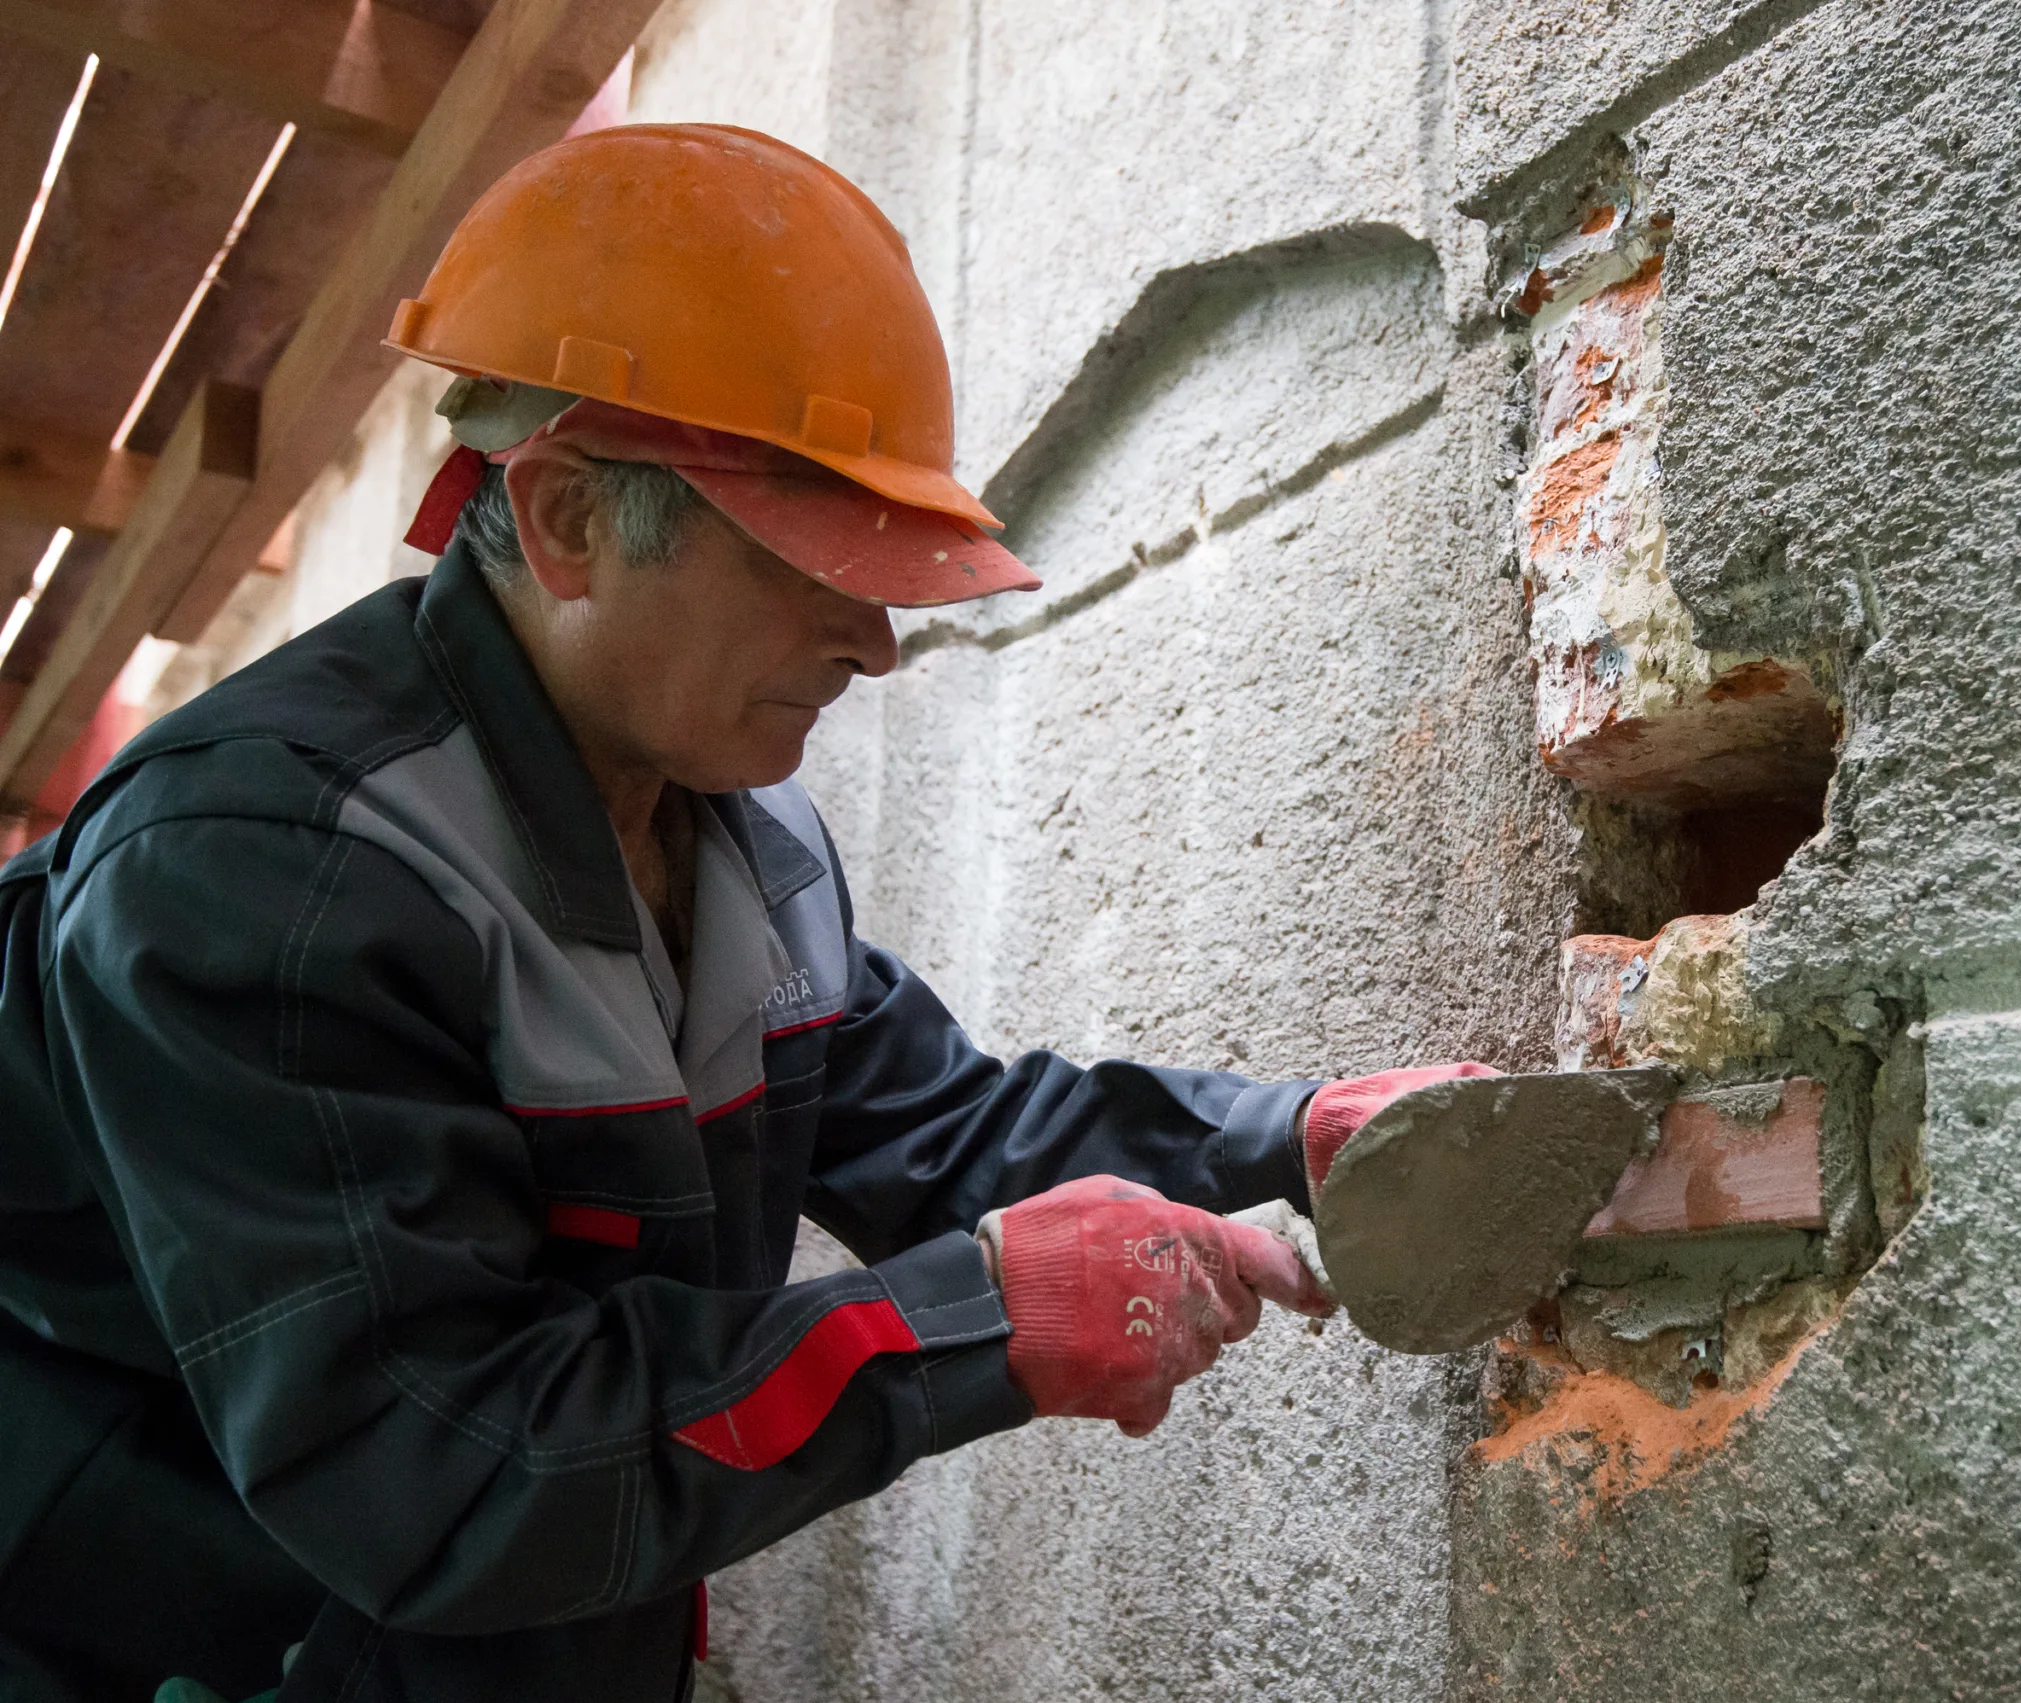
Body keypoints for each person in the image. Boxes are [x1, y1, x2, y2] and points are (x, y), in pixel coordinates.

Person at [0, 124, 1484, 1703]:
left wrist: (1300, 1138)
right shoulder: (256, 872)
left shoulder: (740, 845)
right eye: (820, 562)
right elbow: (444, 1467)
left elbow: (955, 1133)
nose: (878, 641)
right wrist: (978, 1317)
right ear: (567, 516)